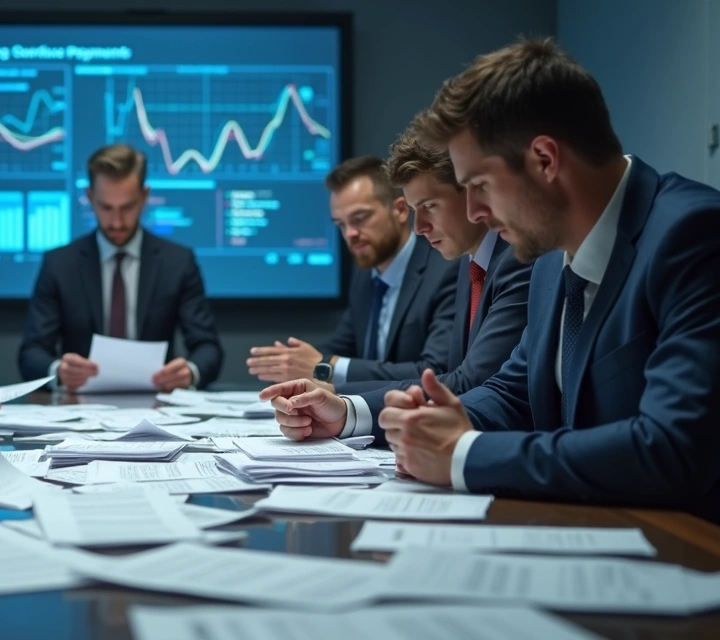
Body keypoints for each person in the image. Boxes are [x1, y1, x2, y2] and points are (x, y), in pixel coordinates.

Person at [267, 37, 720, 522]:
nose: (476, 212)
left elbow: (673, 447)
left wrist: (463, 457)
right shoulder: (550, 258)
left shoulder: (693, 236)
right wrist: (361, 417)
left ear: (545, 159)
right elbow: (513, 391)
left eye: (479, 186)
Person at [264, 127, 533, 434]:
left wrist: (346, 403)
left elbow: (466, 381)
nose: (420, 227)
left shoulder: (511, 260)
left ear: (473, 191)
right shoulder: (467, 263)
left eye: (429, 206)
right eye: (341, 224)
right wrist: (326, 392)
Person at [18, 143, 223, 392]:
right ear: (90, 197)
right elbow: (31, 352)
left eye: (127, 207)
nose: (116, 221)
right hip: (79, 409)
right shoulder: (60, 264)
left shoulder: (177, 261)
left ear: (145, 197)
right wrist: (59, 370)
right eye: (106, 207)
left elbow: (208, 347)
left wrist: (189, 372)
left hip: (160, 406)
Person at [247, 156, 457, 384]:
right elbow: (340, 349)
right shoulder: (365, 276)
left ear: (400, 210)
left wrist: (324, 367)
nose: (350, 234)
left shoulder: (445, 270)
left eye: (360, 218)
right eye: (341, 224)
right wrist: (295, 362)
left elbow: (435, 372)